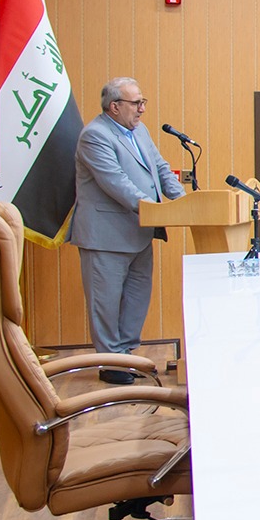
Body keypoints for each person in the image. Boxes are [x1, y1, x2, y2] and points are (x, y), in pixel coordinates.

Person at [69, 77, 186, 371]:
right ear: (114, 106)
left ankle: (127, 355)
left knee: (136, 299)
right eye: (136, 103)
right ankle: (112, 364)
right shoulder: (94, 136)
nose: (142, 109)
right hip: (106, 238)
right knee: (106, 305)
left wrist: (185, 204)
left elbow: (160, 168)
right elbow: (116, 183)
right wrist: (157, 211)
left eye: (142, 102)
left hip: (139, 233)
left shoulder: (139, 130)